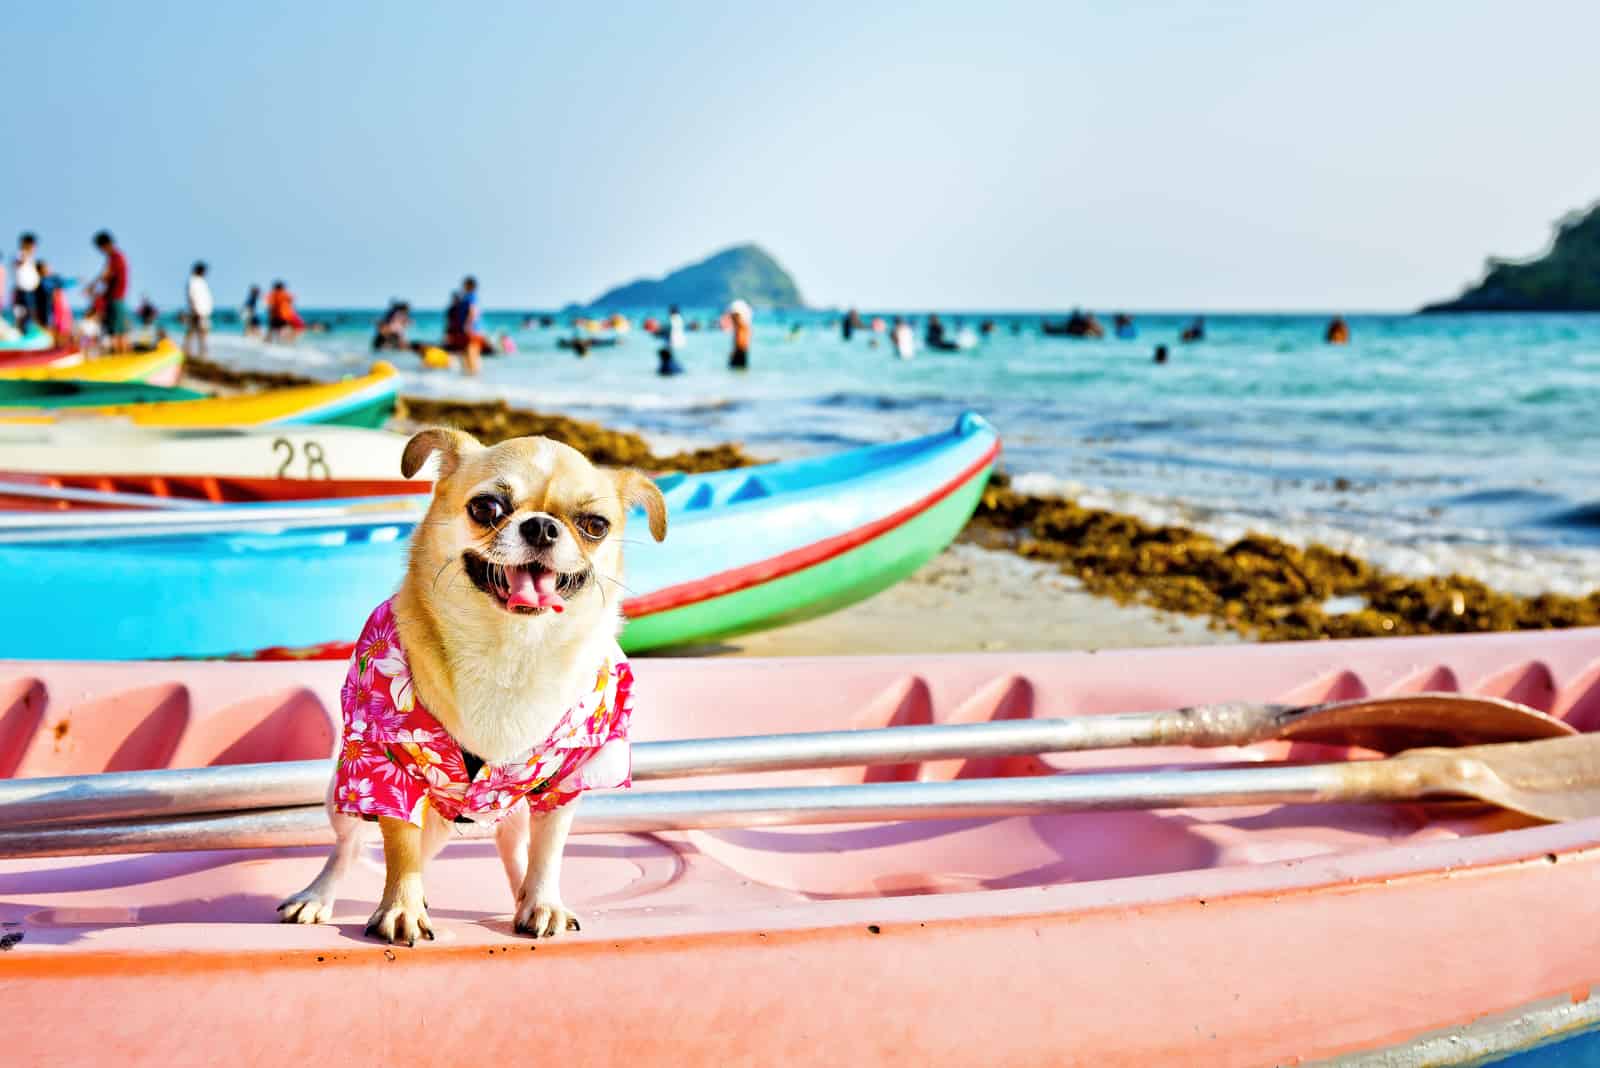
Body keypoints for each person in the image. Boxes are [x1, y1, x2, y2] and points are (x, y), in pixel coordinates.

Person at [93, 231, 131, 352]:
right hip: (117, 298)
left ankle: (120, 359)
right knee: (120, 331)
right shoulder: (117, 256)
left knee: (117, 332)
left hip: (115, 298)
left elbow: (106, 275)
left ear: (104, 245)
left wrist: (92, 286)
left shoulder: (115, 257)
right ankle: (122, 358)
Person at [444, 275, 487, 375]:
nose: (463, 286)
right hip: (469, 329)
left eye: (465, 284)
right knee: (466, 353)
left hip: (471, 330)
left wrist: (468, 325)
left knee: (471, 352)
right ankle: (468, 377)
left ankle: (472, 375)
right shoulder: (469, 297)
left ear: (469, 285)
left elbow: (473, 311)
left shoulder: (471, 296)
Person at [182, 261, 213, 358]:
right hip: (197, 312)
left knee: (199, 333)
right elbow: (192, 297)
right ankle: (192, 353)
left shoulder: (200, 281)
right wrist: (195, 310)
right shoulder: (193, 281)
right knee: (196, 333)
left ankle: (198, 353)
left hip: (203, 312)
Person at [11, 232, 40, 331]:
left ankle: (26, 331)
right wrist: (25, 252)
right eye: (33, 245)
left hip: (30, 290)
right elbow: (18, 263)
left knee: (30, 313)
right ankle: (22, 332)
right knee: (25, 313)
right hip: (23, 290)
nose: (34, 248)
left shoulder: (29, 257)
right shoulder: (20, 254)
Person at [727, 299, 752, 369]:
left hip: (740, 352)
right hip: (741, 352)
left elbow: (740, 343)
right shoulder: (744, 327)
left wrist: (734, 353)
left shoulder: (742, 327)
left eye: (733, 316)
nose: (731, 318)